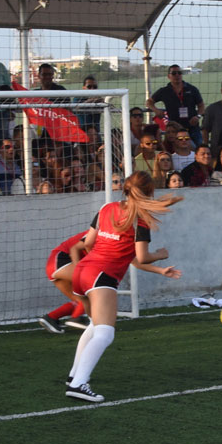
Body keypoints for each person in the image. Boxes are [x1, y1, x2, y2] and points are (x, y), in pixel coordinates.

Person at [65, 171, 182, 402]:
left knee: (94, 326)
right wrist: (159, 256)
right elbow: (142, 257)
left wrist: (158, 270)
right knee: (105, 333)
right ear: (149, 192)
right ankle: (79, 384)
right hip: (101, 275)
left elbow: (88, 243)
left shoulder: (106, 208)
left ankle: (73, 376)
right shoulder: (140, 220)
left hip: (82, 271)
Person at [38, 230, 91, 334]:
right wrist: (78, 270)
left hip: (54, 264)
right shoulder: (100, 232)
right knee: (94, 288)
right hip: (61, 260)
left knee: (80, 300)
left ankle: (50, 317)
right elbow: (75, 249)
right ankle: (76, 318)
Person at [146, 65, 204, 145]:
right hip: (175, 130)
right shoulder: (164, 91)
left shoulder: (192, 89)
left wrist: (198, 116)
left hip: (193, 128)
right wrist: (156, 110)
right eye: (174, 73)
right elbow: (149, 102)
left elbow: (201, 105)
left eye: (179, 73)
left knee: (198, 151)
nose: (177, 75)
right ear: (168, 76)